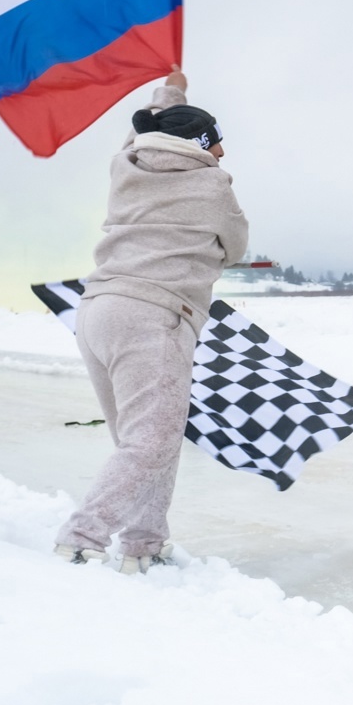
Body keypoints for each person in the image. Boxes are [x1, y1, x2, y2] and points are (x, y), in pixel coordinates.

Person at [55, 69, 247, 572]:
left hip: (98, 310)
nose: (223, 153)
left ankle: (144, 541)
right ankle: (82, 537)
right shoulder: (213, 186)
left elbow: (144, 132)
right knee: (153, 438)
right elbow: (237, 247)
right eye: (216, 143)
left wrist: (171, 91)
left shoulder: (127, 164)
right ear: (201, 144)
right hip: (154, 315)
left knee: (141, 438)